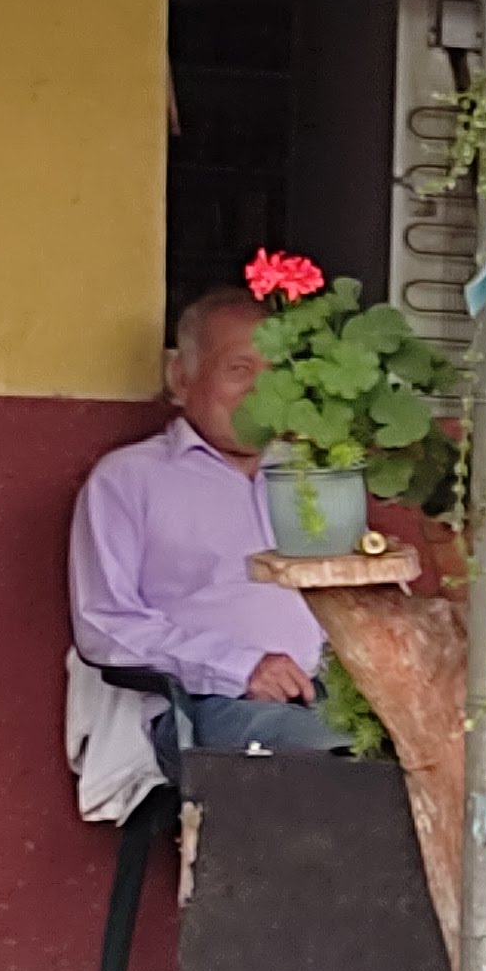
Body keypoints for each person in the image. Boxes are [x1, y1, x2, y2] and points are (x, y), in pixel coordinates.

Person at [70, 285, 348, 775]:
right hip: (212, 705)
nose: (261, 393)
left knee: (442, 745)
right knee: (337, 759)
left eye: (276, 375)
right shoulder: (130, 479)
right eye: (239, 370)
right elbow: (105, 624)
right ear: (181, 378)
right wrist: (239, 667)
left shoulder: (312, 476)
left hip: (335, 694)